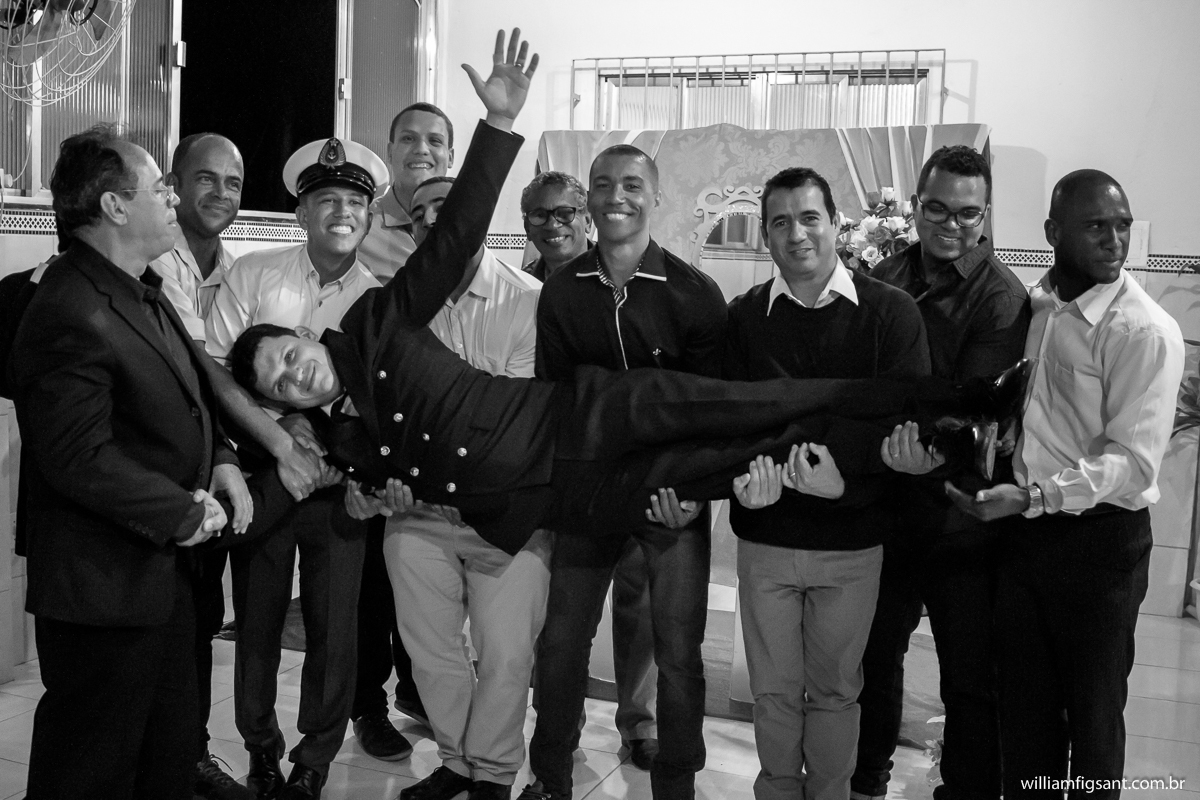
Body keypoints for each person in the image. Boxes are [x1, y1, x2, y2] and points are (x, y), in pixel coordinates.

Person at [9, 124, 233, 800]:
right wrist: (180, 511)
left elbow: (189, 393)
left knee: (164, 754)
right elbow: (76, 455)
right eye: (160, 187)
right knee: (91, 766)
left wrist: (220, 457)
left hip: (158, 575)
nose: (173, 198)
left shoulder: (141, 286)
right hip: (102, 581)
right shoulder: (69, 305)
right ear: (113, 206)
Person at [947, 170, 1184, 800]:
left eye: (1122, 225)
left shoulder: (1143, 330)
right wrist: (1004, 439)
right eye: (1096, 226)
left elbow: (1133, 464)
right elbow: (1042, 408)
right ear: (1053, 232)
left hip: (1100, 544)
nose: (1115, 240)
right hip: (1026, 540)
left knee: (1094, 719)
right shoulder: (1042, 305)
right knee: (1025, 712)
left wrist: (1033, 496)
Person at [719, 166, 930, 800]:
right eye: (780, 222)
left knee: (837, 691)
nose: (797, 234)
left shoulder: (889, 314)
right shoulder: (743, 319)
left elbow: (907, 427)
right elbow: (726, 425)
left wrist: (847, 487)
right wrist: (740, 482)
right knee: (773, 693)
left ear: (836, 224)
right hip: (767, 540)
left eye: (810, 217)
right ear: (765, 235)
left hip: (853, 545)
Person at [527, 144, 729, 800]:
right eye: (604, 184)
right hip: (588, 497)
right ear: (588, 198)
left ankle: (674, 782)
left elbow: (712, 414)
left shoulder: (694, 294)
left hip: (671, 496)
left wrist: (691, 495)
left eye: (633, 184)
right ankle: (550, 777)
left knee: (677, 650)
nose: (617, 195)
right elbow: (554, 401)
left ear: (656, 198)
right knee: (561, 643)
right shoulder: (562, 291)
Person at [205, 131, 394, 799]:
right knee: (256, 621)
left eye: (354, 202)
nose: (342, 212)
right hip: (264, 475)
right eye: (327, 201)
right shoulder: (254, 274)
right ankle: (260, 748)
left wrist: (346, 460)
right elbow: (215, 377)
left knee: (334, 627)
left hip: (339, 489)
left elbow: (379, 402)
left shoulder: (378, 299)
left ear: (369, 216)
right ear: (302, 213)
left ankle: (315, 759)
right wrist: (282, 430)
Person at [358, 167, 544, 800]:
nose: (433, 220)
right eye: (419, 214)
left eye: (447, 205)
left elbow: (510, 417)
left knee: (505, 653)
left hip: (504, 512)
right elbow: (382, 409)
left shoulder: (528, 298)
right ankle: (459, 762)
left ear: (476, 212)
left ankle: (493, 771)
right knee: (429, 650)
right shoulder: (396, 304)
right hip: (416, 511)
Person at [156, 132, 332, 800]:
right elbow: (211, 373)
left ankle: (193, 753)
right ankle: (191, 754)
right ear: (174, 184)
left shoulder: (231, 266)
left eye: (233, 183)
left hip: (230, 465)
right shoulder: (162, 262)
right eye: (206, 178)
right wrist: (281, 442)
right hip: (188, 465)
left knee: (203, 617)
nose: (222, 194)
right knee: (196, 621)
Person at [853, 145, 1030, 800]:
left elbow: (974, 404)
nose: (951, 225)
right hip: (889, 507)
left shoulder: (1001, 296)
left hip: (963, 516)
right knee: (874, 660)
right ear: (916, 206)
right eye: (937, 210)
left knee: (968, 677)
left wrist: (910, 428)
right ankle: (865, 784)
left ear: (985, 215)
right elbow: (866, 379)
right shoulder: (887, 273)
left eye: (967, 214)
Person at [520, 169, 661, 777]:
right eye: (540, 214)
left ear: (586, 217)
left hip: (638, 472)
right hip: (557, 478)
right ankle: (558, 733)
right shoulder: (518, 288)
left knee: (641, 605)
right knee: (561, 623)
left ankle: (641, 723)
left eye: (565, 213)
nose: (554, 225)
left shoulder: (630, 280)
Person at [356, 101, 454, 282]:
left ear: (450, 157)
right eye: (408, 139)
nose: (421, 149)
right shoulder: (359, 229)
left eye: (435, 141)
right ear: (390, 152)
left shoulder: (463, 222)